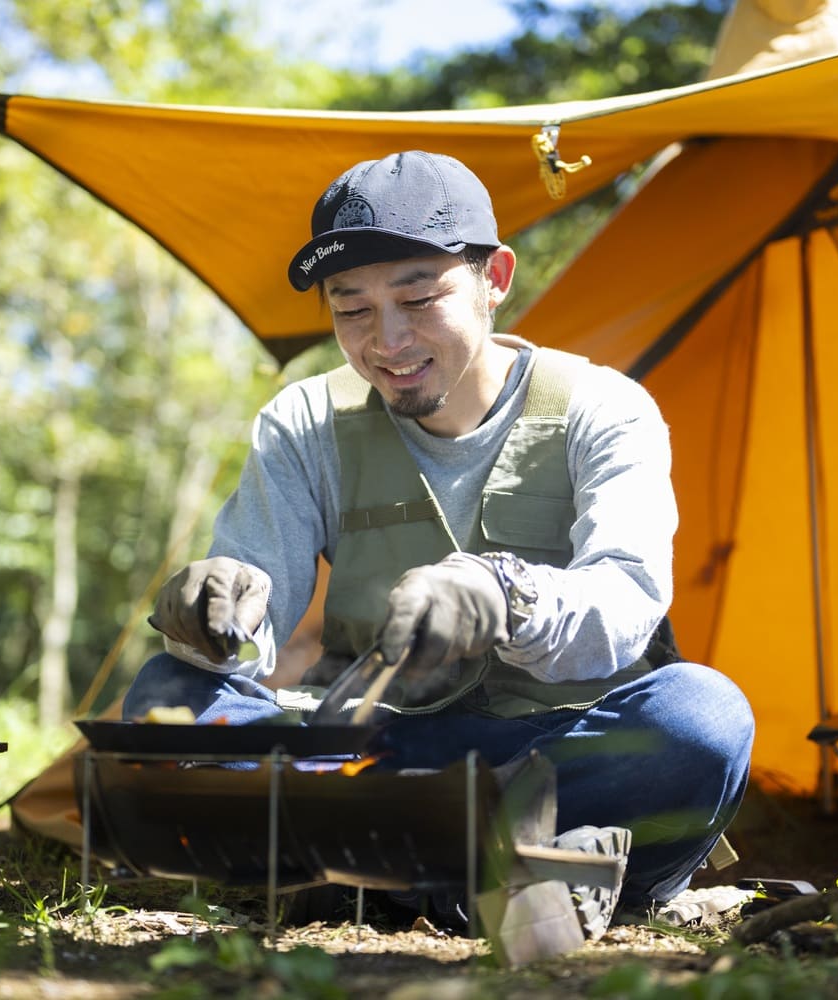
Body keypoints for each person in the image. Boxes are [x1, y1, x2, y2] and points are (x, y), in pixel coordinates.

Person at [124, 149, 754, 935]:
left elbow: (625, 603)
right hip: (377, 751)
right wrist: (215, 611)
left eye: (418, 297)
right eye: (350, 309)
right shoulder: (307, 421)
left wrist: (504, 594)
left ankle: (361, 871)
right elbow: (252, 622)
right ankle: (497, 877)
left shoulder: (604, 409)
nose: (386, 341)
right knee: (166, 698)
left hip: (552, 750)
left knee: (702, 720)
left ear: (495, 279)